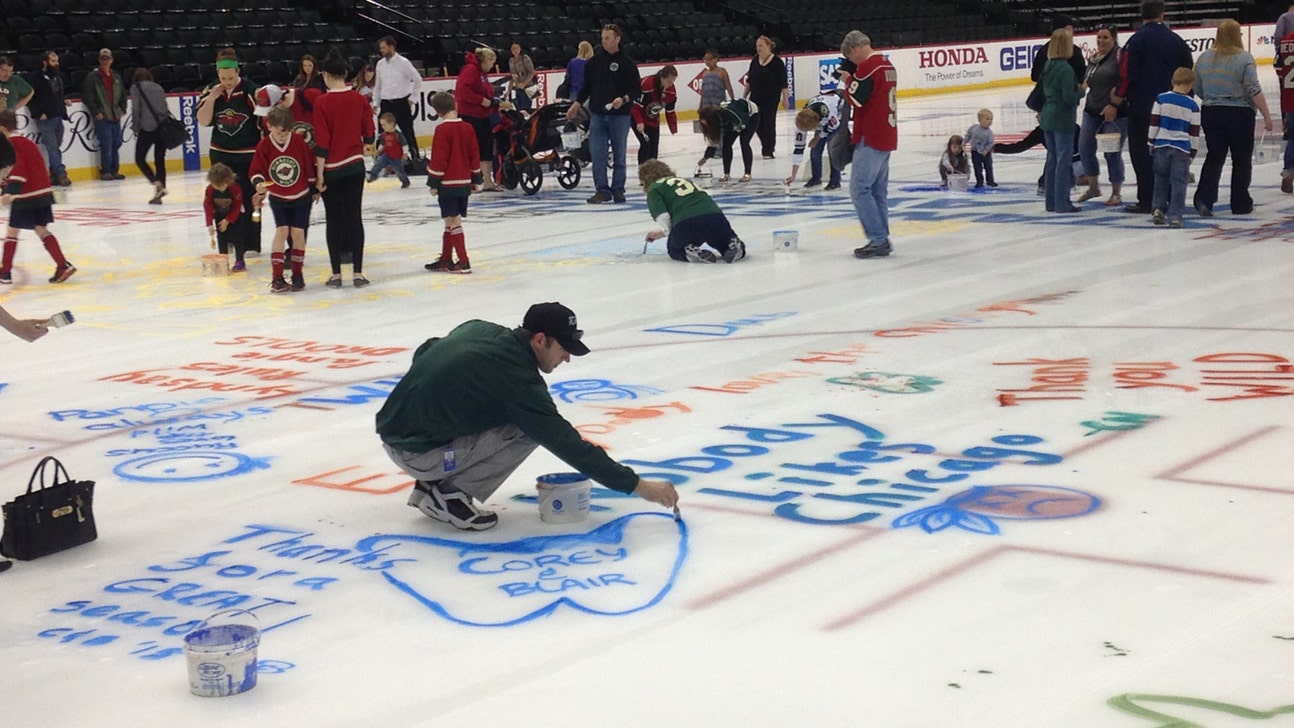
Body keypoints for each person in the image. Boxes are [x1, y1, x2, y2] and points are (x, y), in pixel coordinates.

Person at [375, 302, 680, 531]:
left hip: (399, 432)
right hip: (416, 451)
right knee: (528, 429)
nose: (567, 357)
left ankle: (437, 480)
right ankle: (450, 495)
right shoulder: (517, 380)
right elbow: (565, 442)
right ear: (539, 339)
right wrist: (638, 485)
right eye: (563, 347)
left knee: (515, 418)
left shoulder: (481, 329)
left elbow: (428, 349)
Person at [1109, 0, 1194, 214]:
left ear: (1142, 15)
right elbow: (1188, 71)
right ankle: (1170, 197)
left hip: (1143, 107)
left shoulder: (1135, 41)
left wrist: (1116, 99)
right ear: (1162, 15)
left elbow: (1127, 75)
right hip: (1174, 106)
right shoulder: (1176, 41)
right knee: (1171, 151)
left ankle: (1148, 198)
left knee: (1141, 152)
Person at [1192, 19, 1272, 217]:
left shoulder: (1203, 58)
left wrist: (1213, 98)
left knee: (1214, 156)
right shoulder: (1244, 58)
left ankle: (1204, 199)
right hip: (1239, 113)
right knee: (1241, 158)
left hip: (1211, 112)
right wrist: (1266, 115)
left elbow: (1197, 87)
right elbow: (1253, 88)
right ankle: (1240, 203)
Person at [313, 50, 375, 288]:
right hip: (355, 166)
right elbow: (369, 135)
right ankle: (358, 272)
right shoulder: (360, 99)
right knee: (354, 217)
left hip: (331, 168)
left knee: (334, 220)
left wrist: (319, 174)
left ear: (326, 74)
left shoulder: (322, 102)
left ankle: (336, 274)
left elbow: (322, 141)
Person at [196, 49, 262, 254]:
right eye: (223, 78)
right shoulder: (212, 91)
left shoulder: (250, 90)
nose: (227, 81)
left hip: (248, 155)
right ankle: (229, 240)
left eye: (231, 77)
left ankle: (251, 242)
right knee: (224, 201)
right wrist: (212, 98)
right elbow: (203, 120)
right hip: (221, 157)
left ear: (238, 71)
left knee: (250, 199)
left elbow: (263, 120)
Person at [567, 24, 641, 204]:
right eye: (602, 38)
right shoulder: (594, 62)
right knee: (597, 154)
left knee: (619, 154)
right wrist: (576, 104)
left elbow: (635, 90)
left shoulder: (628, 63)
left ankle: (618, 189)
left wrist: (623, 100)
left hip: (620, 115)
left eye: (608, 38)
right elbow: (587, 87)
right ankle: (601, 190)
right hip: (598, 115)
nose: (604, 41)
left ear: (617, 39)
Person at [839, 30, 897, 260]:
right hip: (887, 134)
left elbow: (856, 98)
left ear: (854, 50)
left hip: (871, 135)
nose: (853, 62)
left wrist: (848, 80)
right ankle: (881, 235)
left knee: (860, 189)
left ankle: (878, 238)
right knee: (877, 191)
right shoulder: (886, 64)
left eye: (852, 58)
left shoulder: (868, 67)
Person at [0, 110, 75, 286]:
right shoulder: (27, 142)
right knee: (41, 229)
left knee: (12, 231)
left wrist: (10, 191)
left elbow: (19, 169)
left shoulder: (12, 145)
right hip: (43, 192)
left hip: (27, 195)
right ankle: (62, 265)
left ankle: (5, 272)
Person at [250, 106, 318, 292]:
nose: (282, 135)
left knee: (298, 233)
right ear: (269, 126)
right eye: (279, 131)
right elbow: (257, 171)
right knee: (281, 231)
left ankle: (297, 275)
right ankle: (277, 277)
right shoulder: (264, 145)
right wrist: (259, 185)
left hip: (301, 196)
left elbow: (307, 166)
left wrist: (314, 188)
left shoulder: (297, 141)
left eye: (286, 131)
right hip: (279, 197)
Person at [640, 159, 746, 263]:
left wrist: (669, 232)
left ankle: (690, 252)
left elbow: (662, 216)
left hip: (687, 222)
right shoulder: (685, 181)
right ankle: (733, 246)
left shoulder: (654, 188)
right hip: (715, 217)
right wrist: (661, 234)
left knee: (675, 248)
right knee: (720, 240)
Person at [423, 91, 482, 274]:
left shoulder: (442, 130)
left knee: (453, 220)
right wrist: (477, 178)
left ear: (438, 113)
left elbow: (440, 159)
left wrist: (433, 182)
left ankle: (463, 262)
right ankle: (446, 258)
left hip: (448, 184)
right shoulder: (468, 128)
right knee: (450, 221)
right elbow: (474, 155)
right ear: (455, 105)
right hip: (464, 183)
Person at [1078, 25, 1129, 206]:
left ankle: (1116, 192)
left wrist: (1115, 104)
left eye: (1105, 38)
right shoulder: (1094, 58)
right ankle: (1094, 186)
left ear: (1114, 39)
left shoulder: (1119, 57)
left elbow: (1125, 82)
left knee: (1111, 153)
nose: (1101, 41)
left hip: (1115, 113)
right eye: (1099, 37)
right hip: (1092, 110)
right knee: (1084, 148)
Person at [1148, 67, 1200, 227]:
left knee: (1160, 180)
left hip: (1161, 145)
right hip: (1181, 149)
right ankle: (1176, 215)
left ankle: (1158, 209)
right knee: (1179, 183)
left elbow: (1154, 122)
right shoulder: (1193, 105)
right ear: (1190, 84)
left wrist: (1151, 142)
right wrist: (1192, 152)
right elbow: (1194, 132)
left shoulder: (1161, 99)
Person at [1041, 27, 1083, 214]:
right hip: (1062, 118)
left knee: (1052, 159)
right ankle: (1062, 202)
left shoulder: (1048, 66)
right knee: (1063, 160)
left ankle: (1050, 202)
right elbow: (1069, 98)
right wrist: (1081, 90)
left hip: (1048, 114)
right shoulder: (1066, 69)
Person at [455, 47, 503, 192]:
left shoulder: (481, 73)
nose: (492, 66)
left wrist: (494, 104)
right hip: (470, 116)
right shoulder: (470, 70)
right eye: (491, 62)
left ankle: (487, 181)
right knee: (472, 149)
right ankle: (469, 181)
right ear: (486, 60)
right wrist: (481, 100)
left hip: (482, 116)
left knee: (485, 148)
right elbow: (462, 92)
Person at [374, 36, 422, 164]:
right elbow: (378, 85)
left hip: (401, 102)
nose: (381, 50)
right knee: (382, 132)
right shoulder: (380, 64)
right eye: (381, 48)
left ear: (392, 47)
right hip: (386, 103)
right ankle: (381, 160)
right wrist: (375, 103)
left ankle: (415, 158)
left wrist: (413, 98)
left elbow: (418, 80)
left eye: (384, 48)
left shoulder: (403, 63)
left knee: (407, 131)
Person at [81, 49, 126, 181]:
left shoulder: (116, 76)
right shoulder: (92, 77)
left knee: (116, 143)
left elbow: (123, 94)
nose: (105, 61)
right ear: (100, 60)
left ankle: (114, 169)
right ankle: (106, 170)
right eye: (103, 59)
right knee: (106, 143)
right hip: (103, 116)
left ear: (111, 60)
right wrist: (96, 112)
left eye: (107, 59)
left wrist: (123, 108)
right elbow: (88, 96)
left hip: (115, 115)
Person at [28, 52, 71, 187]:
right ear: (45, 62)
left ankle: (54, 175)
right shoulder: (36, 77)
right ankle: (60, 174)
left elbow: (56, 95)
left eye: (56, 61)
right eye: (53, 61)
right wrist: (38, 112)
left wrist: (64, 102)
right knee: (53, 147)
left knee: (56, 147)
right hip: (45, 118)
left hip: (57, 115)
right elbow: (30, 97)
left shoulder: (57, 77)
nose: (56, 63)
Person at [743, 36, 789, 159]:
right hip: (755, 97)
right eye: (757, 46)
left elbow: (783, 83)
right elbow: (750, 80)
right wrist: (744, 96)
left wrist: (785, 99)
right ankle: (766, 144)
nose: (758, 48)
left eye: (761, 46)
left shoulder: (777, 63)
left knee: (768, 123)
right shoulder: (754, 61)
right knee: (756, 123)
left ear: (768, 46)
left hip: (770, 98)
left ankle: (768, 150)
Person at [785, 92, 843, 189]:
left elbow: (834, 126)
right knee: (815, 151)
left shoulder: (826, 111)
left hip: (838, 110)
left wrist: (817, 138)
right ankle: (816, 178)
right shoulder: (801, 122)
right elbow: (798, 149)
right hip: (822, 116)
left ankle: (835, 180)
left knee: (833, 150)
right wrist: (793, 175)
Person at [129, 68, 170, 205]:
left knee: (139, 158)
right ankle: (161, 187)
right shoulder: (158, 87)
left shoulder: (136, 88)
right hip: (163, 127)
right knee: (159, 159)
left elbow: (136, 108)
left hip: (147, 128)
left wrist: (135, 127)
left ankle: (156, 182)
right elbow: (165, 107)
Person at [696, 99, 757, 182]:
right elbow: (714, 141)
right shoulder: (717, 121)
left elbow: (742, 121)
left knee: (744, 142)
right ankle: (726, 174)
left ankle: (747, 173)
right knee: (726, 145)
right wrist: (706, 157)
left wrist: (736, 130)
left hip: (751, 114)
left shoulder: (729, 113)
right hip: (733, 122)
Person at [631, 65, 678, 164]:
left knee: (654, 148)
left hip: (653, 120)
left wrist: (673, 128)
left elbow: (670, 111)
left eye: (673, 82)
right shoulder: (647, 84)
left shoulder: (671, 92)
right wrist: (639, 122)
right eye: (669, 81)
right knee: (645, 144)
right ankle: (643, 172)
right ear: (662, 77)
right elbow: (635, 108)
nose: (671, 84)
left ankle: (653, 173)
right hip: (637, 117)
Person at [203, 162, 245, 272]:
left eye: (221, 186)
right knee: (221, 239)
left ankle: (240, 261)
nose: (218, 188)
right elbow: (208, 206)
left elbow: (237, 206)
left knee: (237, 238)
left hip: (235, 217)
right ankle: (223, 262)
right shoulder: (210, 190)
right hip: (219, 216)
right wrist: (210, 224)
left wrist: (228, 220)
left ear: (228, 181)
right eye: (216, 186)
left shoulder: (235, 189)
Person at [367, 112, 409, 187]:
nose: (383, 127)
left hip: (396, 157)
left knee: (399, 171)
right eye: (382, 125)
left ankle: (405, 181)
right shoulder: (384, 134)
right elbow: (383, 143)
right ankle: (372, 176)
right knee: (378, 164)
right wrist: (379, 150)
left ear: (392, 123)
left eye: (384, 125)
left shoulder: (398, 135)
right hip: (386, 155)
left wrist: (405, 153)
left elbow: (404, 144)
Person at [1276, 26, 1294, 193]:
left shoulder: (1285, 40)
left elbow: (1279, 70)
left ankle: (1288, 172)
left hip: (1290, 98)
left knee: (1292, 140)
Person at [965, 108, 996, 187]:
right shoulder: (973, 128)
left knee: (988, 167)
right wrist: (964, 142)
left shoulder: (989, 133)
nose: (990, 121)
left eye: (991, 119)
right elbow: (968, 135)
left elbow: (990, 143)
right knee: (977, 168)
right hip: (975, 152)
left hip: (986, 153)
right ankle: (979, 181)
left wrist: (986, 150)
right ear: (980, 119)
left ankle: (990, 180)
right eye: (987, 119)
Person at [508, 42, 537, 111]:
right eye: (513, 48)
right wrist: (509, 90)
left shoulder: (525, 58)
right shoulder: (511, 61)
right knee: (518, 109)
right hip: (517, 88)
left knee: (525, 109)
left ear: (520, 49)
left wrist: (524, 84)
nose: (515, 50)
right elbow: (512, 75)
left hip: (527, 88)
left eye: (517, 48)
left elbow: (531, 72)